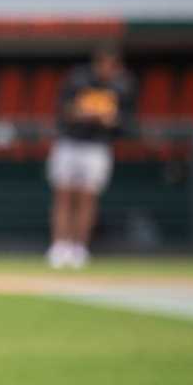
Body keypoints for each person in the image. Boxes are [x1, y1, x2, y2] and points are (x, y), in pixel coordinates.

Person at [46, 45, 136, 269]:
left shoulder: (123, 84)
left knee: (88, 198)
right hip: (71, 142)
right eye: (103, 63)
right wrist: (85, 114)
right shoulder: (78, 79)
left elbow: (125, 123)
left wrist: (110, 120)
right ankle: (59, 246)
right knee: (64, 195)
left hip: (97, 147)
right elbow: (64, 110)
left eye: (111, 64)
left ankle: (79, 248)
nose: (107, 68)